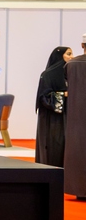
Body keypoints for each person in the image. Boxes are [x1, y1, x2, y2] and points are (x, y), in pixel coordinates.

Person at [35, 46, 71, 167]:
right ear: (59, 56)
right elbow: (43, 97)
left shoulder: (70, 74)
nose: (72, 57)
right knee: (53, 146)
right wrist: (63, 95)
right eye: (68, 54)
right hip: (52, 119)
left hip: (68, 116)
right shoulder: (47, 75)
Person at [66, 38, 86, 197]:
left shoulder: (71, 65)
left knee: (78, 150)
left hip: (76, 115)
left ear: (82, 45)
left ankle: (79, 189)